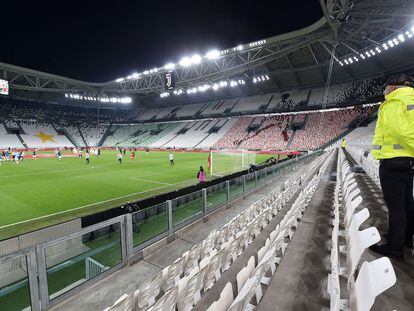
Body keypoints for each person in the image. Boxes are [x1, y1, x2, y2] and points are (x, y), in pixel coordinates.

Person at [369, 73, 414, 258]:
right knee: (406, 203)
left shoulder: (394, 102)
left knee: (395, 206)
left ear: (394, 87)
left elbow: (400, 132)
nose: (385, 92)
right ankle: (405, 238)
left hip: (393, 161)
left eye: (386, 88)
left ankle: (394, 247)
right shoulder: (410, 99)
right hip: (407, 161)